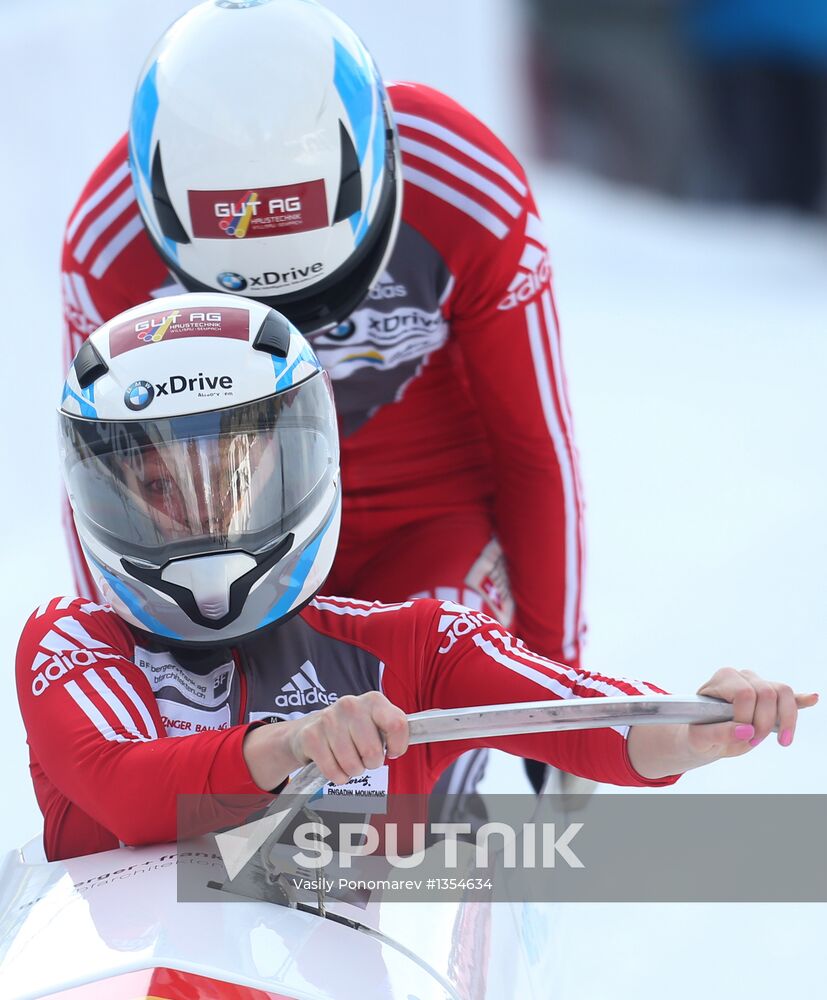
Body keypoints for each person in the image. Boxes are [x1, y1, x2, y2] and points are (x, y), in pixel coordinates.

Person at [18, 295, 816, 862]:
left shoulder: (418, 646)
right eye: (160, 487)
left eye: (231, 480)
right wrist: (296, 742)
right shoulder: (70, 641)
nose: (200, 517)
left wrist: (699, 728)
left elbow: (584, 719)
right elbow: (128, 793)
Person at [60, 0, 584, 793]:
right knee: (227, 786)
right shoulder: (108, 249)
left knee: (406, 770)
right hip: (230, 550)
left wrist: (552, 695)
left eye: (325, 295)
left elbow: (533, 444)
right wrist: (129, 721)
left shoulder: (466, 189)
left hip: (427, 527)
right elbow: (97, 483)